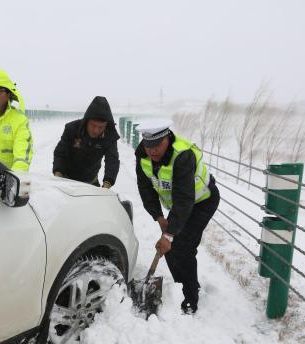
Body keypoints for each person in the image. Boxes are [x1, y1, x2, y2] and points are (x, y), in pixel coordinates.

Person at [135, 119, 220, 314]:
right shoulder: (142, 157)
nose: (153, 151)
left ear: (167, 138)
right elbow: (145, 189)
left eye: (158, 146)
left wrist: (169, 234)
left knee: (184, 247)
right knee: (171, 249)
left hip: (202, 202)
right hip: (179, 205)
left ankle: (190, 299)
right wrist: (158, 217)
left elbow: (184, 199)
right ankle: (181, 286)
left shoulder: (182, 155)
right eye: (149, 146)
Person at [52, 96, 120, 188]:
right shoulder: (72, 129)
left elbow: (112, 161)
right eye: (93, 125)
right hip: (66, 179)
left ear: (106, 125)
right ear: (87, 121)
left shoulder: (109, 136)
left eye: (101, 127)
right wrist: (58, 172)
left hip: (90, 181)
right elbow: (60, 153)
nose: (96, 130)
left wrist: (108, 182)